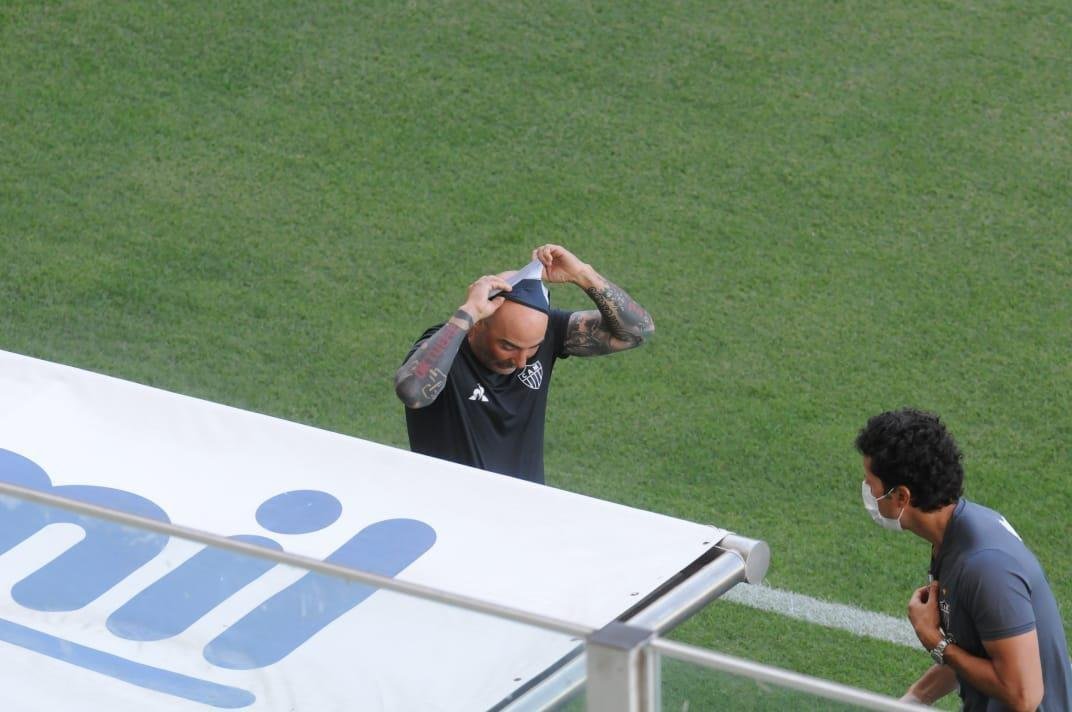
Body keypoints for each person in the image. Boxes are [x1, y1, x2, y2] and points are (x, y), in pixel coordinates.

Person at [855, 408, 1071, 711]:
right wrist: (914, 699)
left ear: (901, 496)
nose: (867, 492)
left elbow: (1025, 695)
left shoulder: (986, 567)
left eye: (871, 484)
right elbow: (976, 648)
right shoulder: (954, 535)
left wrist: (936, 642)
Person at [394, 244, 654, 484]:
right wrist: (469, 311)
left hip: (525, 517)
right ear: (478, 325)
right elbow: (413, 392)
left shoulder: (549, 332)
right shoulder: (443, 350)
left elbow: (637, 331)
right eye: (508, 346)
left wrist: (582, 274)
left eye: (533, 348)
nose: (521, 362)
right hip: (453, 517)